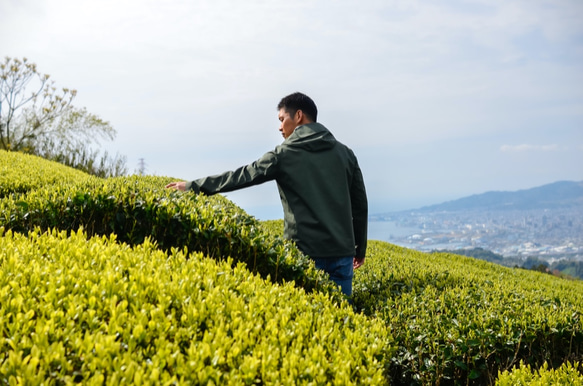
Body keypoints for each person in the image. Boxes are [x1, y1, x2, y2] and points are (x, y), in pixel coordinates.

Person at [165, 92, 368, 297]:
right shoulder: (346, 154)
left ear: (298, 116)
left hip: (305, 253)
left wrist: (192, 186)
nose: (280, 127)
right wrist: (359, 249)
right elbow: (360, 205)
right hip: (342, 255)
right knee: (341, 320)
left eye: (282, 119)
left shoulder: (283, 155)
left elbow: (241, 176)